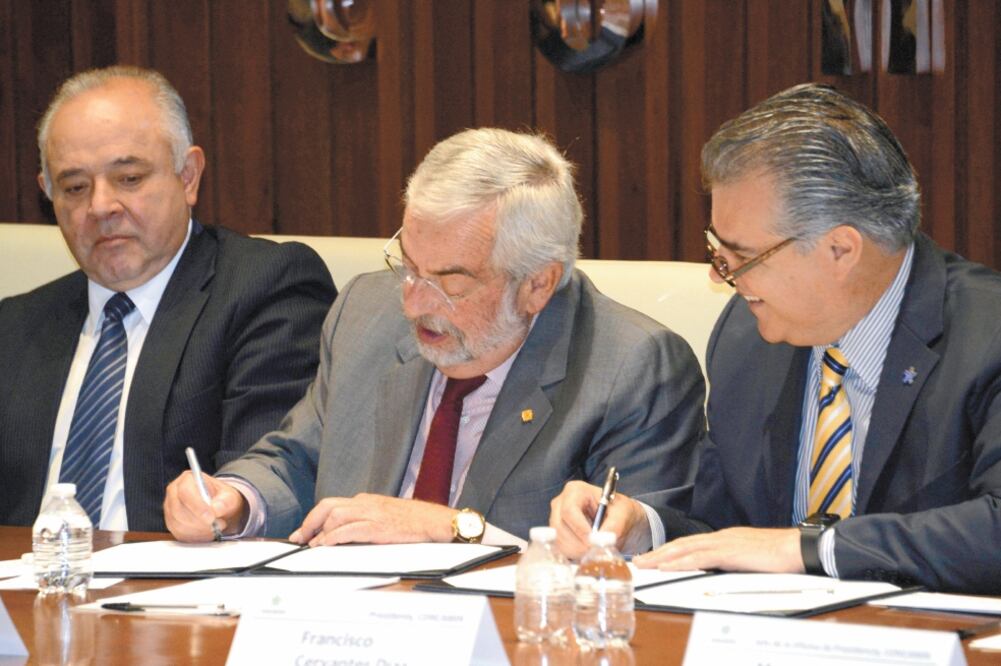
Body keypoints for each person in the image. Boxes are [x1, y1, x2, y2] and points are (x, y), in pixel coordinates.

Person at [550, 83, 1001, 593]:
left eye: (742, 257)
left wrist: (813, 549)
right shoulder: (745, 338)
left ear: (840, 249)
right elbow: (726, 527)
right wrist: (642, 527)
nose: (719, 275)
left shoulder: (986, 334)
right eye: (717, 250)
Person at [164, 127, 705, 547]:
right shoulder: (365, 312)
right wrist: (236, 499)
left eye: (450, 282)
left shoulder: (630, 366)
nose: (413, 302)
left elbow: (624, 559)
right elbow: (298, 458)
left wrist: (452, 529)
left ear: (538, 284)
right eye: (408, 266)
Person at [0, 66, 336, 532]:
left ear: (189, 176)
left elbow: (271, 478)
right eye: (75, 187)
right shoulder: (15, 325)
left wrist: (223, 505)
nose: (100, 206)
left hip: (176, 573)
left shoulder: (265, 288)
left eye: (129, 178)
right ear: (49, 194)